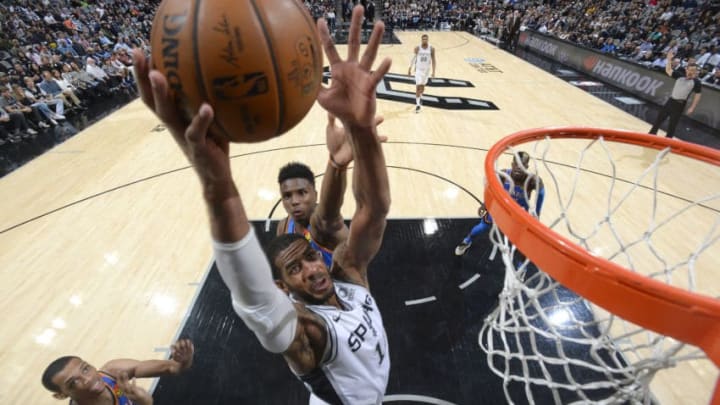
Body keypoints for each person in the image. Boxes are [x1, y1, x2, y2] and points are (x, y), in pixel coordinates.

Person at [133, 5, 392, 404]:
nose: (311, 269)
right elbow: (254, 298)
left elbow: (373, 211)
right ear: (282, 288)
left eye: (309, 258)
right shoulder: (305, 330)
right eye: (294, 270)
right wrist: (218, 188)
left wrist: (361, 129)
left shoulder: (349, 275)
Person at [276, 113, 384, 269]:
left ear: (315, 194)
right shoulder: (284, 227)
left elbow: (329, 211)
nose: (294, 201)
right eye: (287, 196)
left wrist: (337, 165)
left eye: (302, 192)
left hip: (336, 291)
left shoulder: (326, 226)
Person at [41, 339, 194, 405]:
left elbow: (172, 368)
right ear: (61, 395)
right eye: (73, 382)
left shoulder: (113, 371)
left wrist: (184, 360)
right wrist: (144, 402)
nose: (87, 379)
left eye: (86, 369)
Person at [455, 151, 544, 256]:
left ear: (527, 166)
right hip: (500, 209)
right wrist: (485, 204)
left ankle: (520, 266)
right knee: (482, 226)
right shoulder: (503, 175)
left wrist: (537, 212)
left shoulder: (532, 181)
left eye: (522, 165)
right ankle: (467, 240)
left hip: (518, 214)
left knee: (521, 241)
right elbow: (491, 190)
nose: (519, 167)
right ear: (512, 164)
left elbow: (541, 193)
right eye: (516, 164)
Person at [648, 51, 702, 139]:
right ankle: (651, 135)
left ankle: (668, 140)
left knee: (672, 124)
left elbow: (698, 95)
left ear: (696, 72)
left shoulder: (696, 82)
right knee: (659, 119)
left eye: (693, 71)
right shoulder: (679, 76)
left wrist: (692, 107)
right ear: (686, 69)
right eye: (690, 70)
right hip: (671, 101)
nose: (691, 72)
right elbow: (668, 70)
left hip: (679, 104)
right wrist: (669, 60)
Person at [407, 34, 436, 113]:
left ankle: (420, 97)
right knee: (418, 86)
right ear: (421, 40)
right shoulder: (417, 48)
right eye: (423, 39)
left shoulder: (431, 49)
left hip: (426, 71)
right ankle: (418, 105)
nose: (424, 41)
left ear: (428, 40)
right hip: (418, 70)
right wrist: (410, 68)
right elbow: (413, 58)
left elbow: (433, 60)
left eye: (426, 39)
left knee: (422, 88)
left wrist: (433, 72)